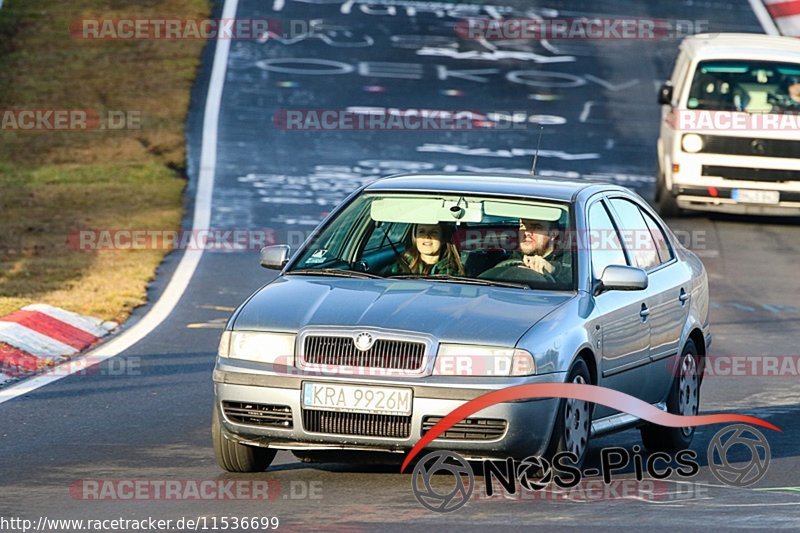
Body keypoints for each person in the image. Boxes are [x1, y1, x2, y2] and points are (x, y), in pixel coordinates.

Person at [479, 217, 571, 285]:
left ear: (553, 234)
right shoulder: (504, 259)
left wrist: (553, 269)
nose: (526, 232)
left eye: (536, 227)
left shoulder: (569, 262)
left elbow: (573, 282)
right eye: (522, 225)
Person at [387, 223, 464, 276]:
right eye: (421, 232)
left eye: (434, 232)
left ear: (443, 238)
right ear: (415, 238)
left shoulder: (454, 272)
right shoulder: (400, 267)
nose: (427, 236)